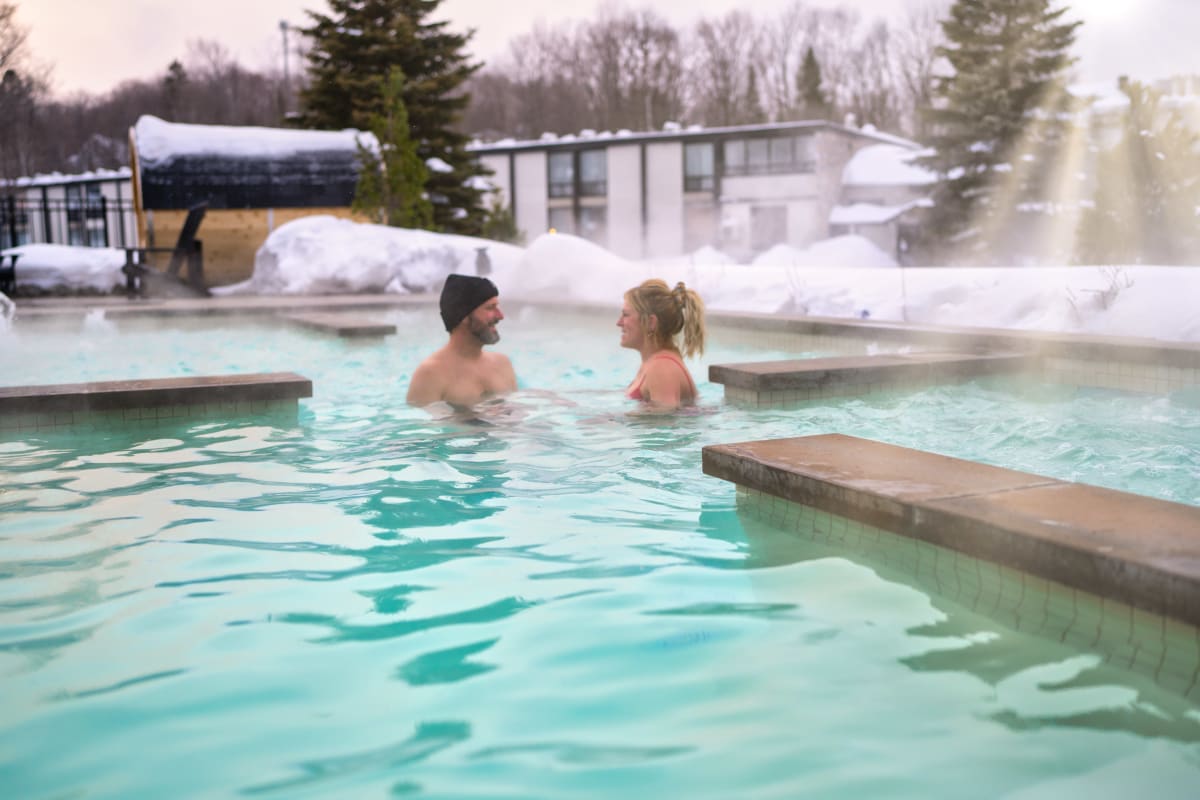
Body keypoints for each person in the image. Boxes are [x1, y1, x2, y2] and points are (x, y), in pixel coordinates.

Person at [407, 274, 517, 408]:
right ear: (463, 316)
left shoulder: (502, 364)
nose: (500, 316)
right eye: (490, 308)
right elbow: (421, 426)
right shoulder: (430, 374)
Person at [618, 279, 706, 410]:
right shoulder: (654, 363)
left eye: (625, 315)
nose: (619, 322)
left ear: (650, 322)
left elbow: (665, 422)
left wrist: (607, 420)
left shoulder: (662, 368)